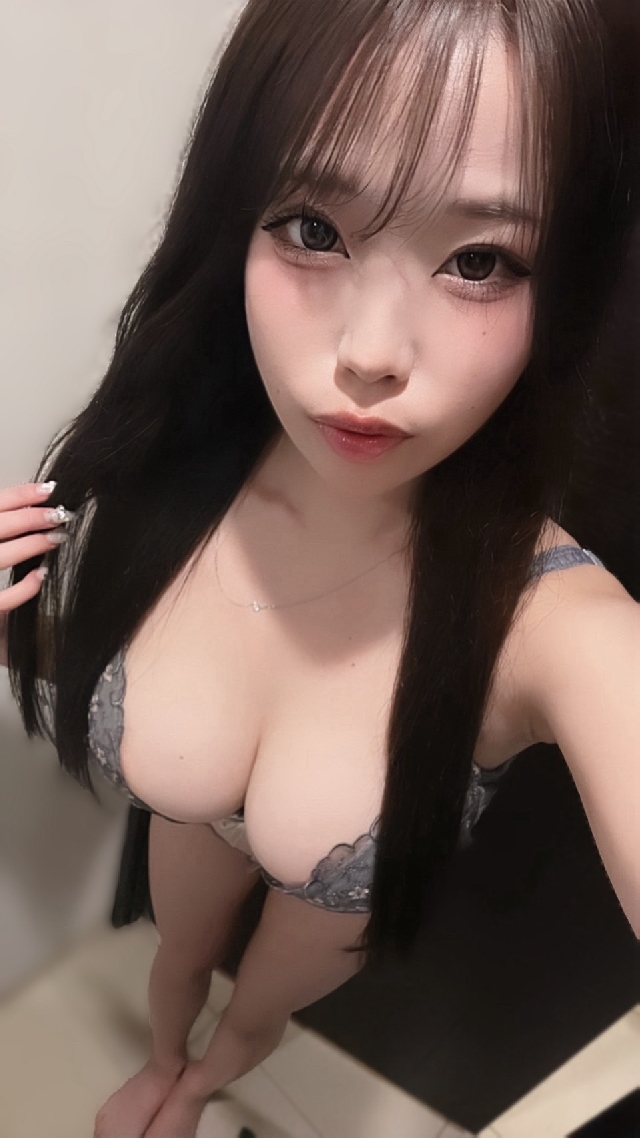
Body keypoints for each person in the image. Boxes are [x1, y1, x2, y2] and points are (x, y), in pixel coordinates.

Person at [1, 0, 638, 1135]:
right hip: (194, 845)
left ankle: (205, 1077)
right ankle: (165, 1064)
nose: (369, 355)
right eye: (311, 228)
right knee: (176, 963)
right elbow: (75, 642)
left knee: (253, 1015)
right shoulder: (179, 459)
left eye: (479, 260)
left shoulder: (555, 624)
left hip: (327, 911)